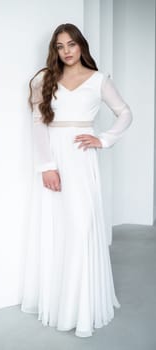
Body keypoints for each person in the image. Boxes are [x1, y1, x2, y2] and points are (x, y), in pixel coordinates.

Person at [20, 23, 133, 338]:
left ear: (81, 45)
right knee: (56, 227)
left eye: (72, 44)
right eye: (60, 46)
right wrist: (46, 166)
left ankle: (79, 308)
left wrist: (104, 139)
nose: (67, 51)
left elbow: (125, 113)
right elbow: (38, 123)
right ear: (55, 50)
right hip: (54, 159)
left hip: (82, 160)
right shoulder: (44, 79)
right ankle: (58, 302)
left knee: (81, 226)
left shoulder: (99, 81)